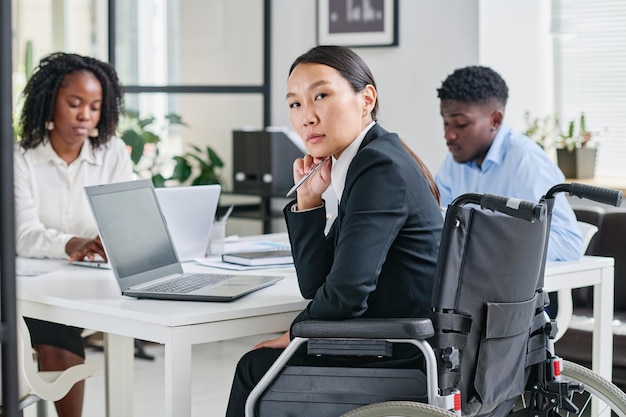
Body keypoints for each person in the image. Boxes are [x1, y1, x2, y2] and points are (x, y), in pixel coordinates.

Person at [225, 45, 444, 416]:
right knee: (262, 364)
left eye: (321, 96)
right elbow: (319, 285)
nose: (306, 117)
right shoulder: (369, 158)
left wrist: (295, 333)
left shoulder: (377, 166)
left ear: (366, 99)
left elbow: (345, 295)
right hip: (397, 343)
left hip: (405, 356)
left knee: (254, 370)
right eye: (294, 104)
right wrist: (309, 201)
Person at [14, 52, 133, 417]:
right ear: (51, 102)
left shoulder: (111, 152)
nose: (86, 115)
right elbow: (22, 234)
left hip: (89, 282)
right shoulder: (20, 157)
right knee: (55, 329)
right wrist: (73, 243)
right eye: (75, 104)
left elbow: (125, 215)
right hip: (30, 286)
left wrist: (114, 239)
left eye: (95, 107)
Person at [434, 65, 583, 316]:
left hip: (526, 301)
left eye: (460, 124)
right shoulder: (454, 163)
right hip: (472, 290)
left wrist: (491, 246)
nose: (449, 134)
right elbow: (440, 222)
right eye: (446, 122)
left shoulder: (526, 163)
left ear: (495, 120)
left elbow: (569, 242)